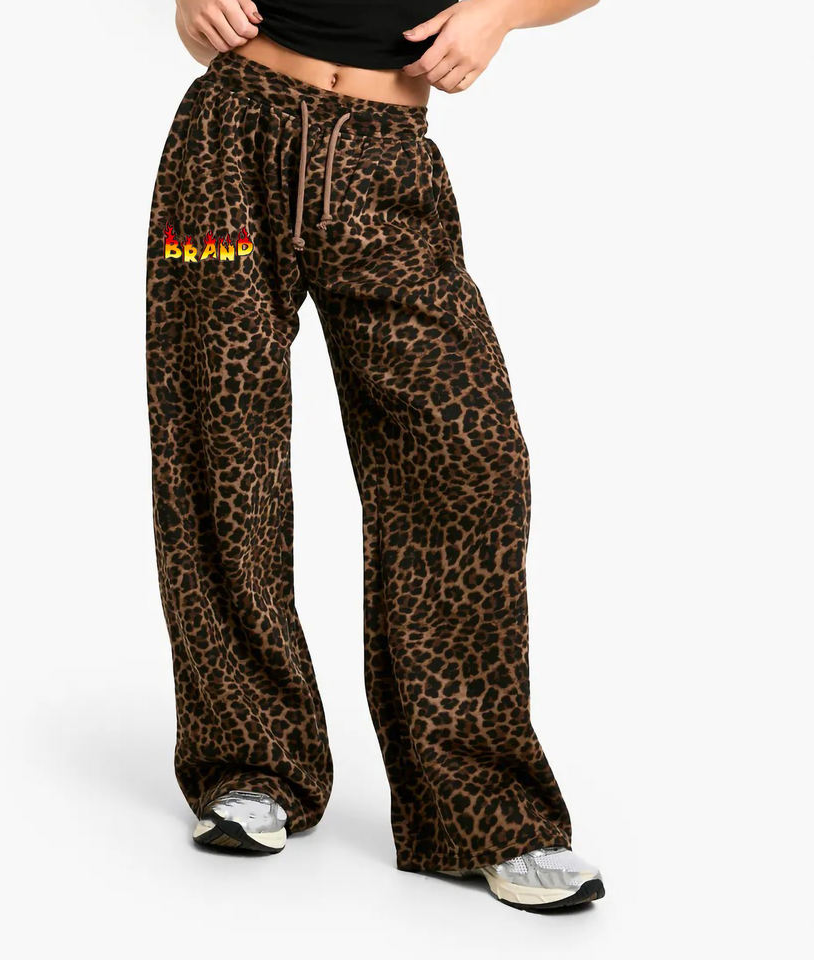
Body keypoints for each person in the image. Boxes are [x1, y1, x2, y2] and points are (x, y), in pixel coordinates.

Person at [146, 0, 603, 911]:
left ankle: (480, 807)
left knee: (467, 459)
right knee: (220, 449)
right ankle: (250, 764)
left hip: (385, 156)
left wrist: (504, 13)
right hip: (228, 139)